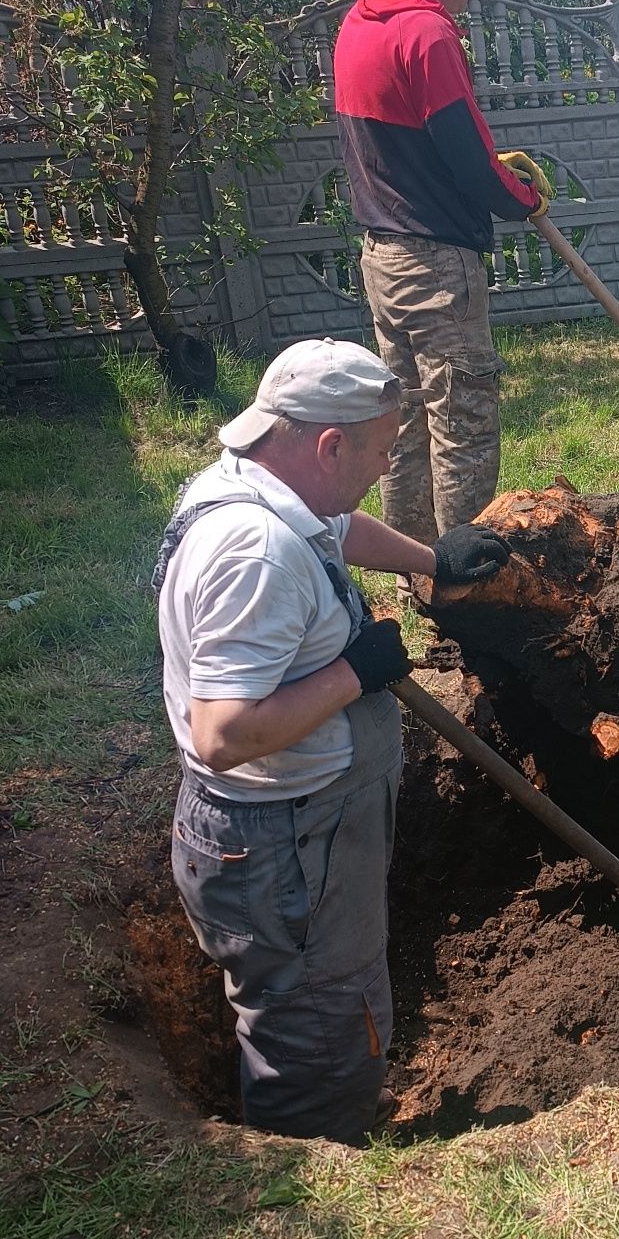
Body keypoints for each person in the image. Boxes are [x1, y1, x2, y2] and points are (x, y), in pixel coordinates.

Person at [154, 338, 509, 1145]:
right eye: (382, 452)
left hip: (295, 832)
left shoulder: (256, 482)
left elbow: (335, 525)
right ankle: (315, 1161)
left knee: (313, 1004)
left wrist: (430, 564)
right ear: (328, 444)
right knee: (318, 1027)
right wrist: (356, 671)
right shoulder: (255, 554)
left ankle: (330, 1115)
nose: (385, 470)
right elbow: (220, 734)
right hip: (286, 846)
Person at [333, 0, 552, 556]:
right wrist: (524, 198)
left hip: (382, 260)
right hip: (436, 271)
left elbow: (421, 145)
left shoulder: (357, 26)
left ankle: (417, 575)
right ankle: (468, 587)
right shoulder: (428, 35)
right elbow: (467, 158)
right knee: (463, 427)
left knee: (404, 435)